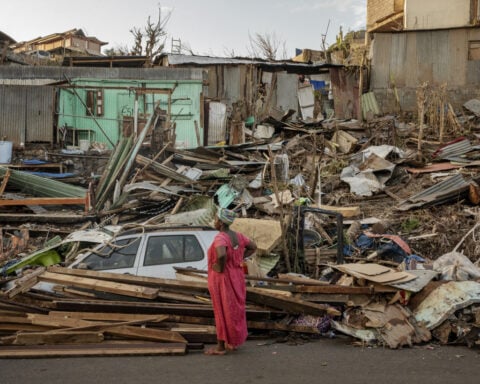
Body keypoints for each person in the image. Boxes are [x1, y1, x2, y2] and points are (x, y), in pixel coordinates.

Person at [205, 207, 257, 355]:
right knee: (234, 310)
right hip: (237, 276)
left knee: (221, 310)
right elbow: (253, 247)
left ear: (221, 222)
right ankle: (232, 342)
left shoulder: (221, 237)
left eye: (216, 219)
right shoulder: (239, 236)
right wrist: (239, 257)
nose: (214, 222)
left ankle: (220, 347)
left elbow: (221, 254)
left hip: (223, 278)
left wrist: (220, 266)